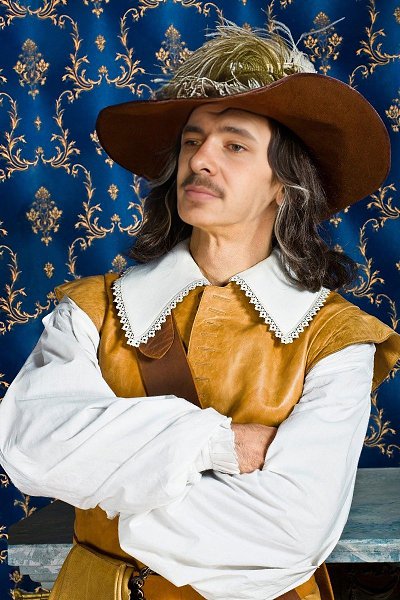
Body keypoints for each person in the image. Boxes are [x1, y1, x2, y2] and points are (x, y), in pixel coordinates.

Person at [0, 22, 399, 600]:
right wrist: (221, 444)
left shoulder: (337, 337)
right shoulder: (90, 310)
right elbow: (28, 445)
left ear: (285, 185)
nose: (201, 159)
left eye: (234, 145)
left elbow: (289, 532)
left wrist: (109, 489)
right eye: (192, 141)